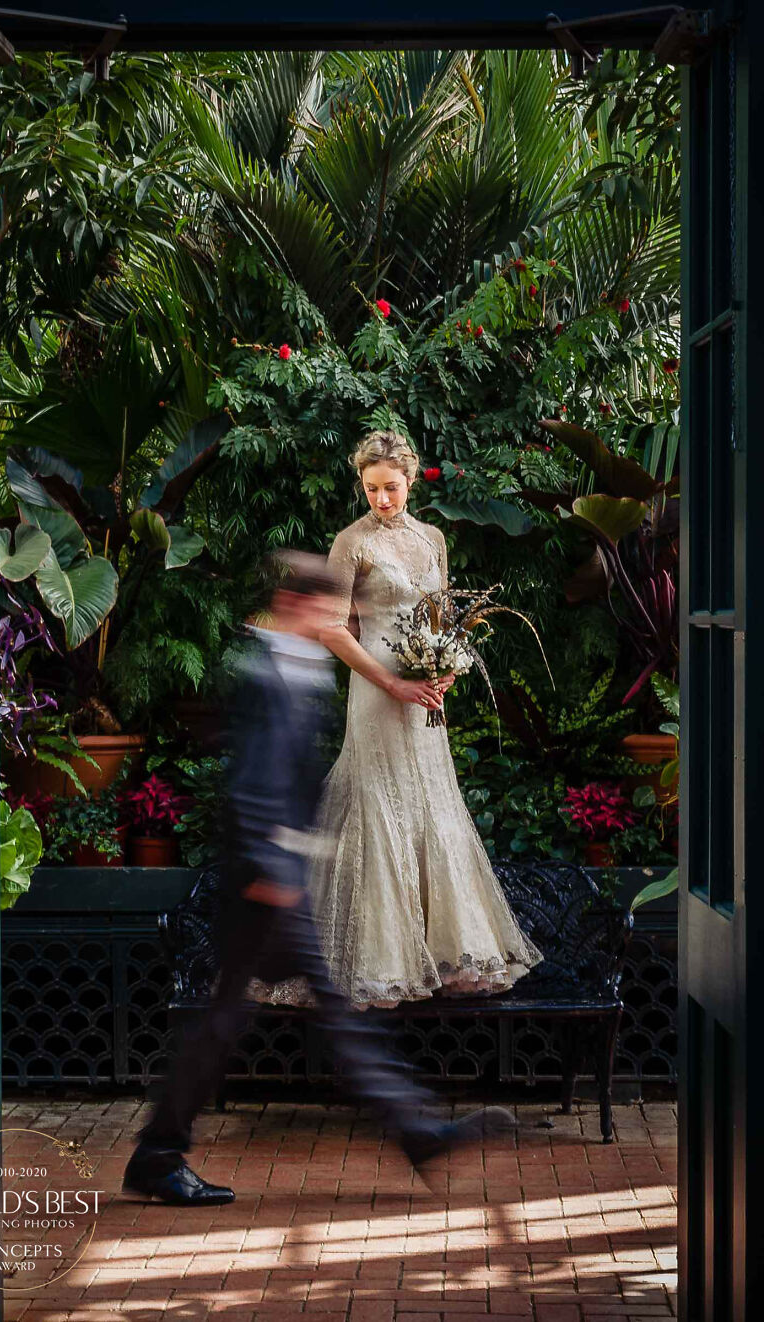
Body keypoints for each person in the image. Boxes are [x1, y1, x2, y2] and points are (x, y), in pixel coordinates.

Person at [123, 552, 513, 1206]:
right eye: (330, 609)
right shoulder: (263, 672)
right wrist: (275, 873)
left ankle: (161, 1151)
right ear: (300, 605)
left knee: (296, 1015)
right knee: (269, 1018)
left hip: (279, 875)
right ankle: (159, 1153)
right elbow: (250, 784)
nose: (337, 621)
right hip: (265, 882)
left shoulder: (294, 667)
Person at [250, 432, 542, 1011]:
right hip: (379, 690)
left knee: (432, 799)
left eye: (390, 487)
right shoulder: (350, 543)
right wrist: (391, 682)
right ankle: (383, 959)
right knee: (379, 803)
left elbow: (442, 616)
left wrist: (447, 669)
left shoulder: (433, 538)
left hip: (426, 694)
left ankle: (439, 952)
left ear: (410, 480)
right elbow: (334, 627)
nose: (381, 499)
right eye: (370, 488)